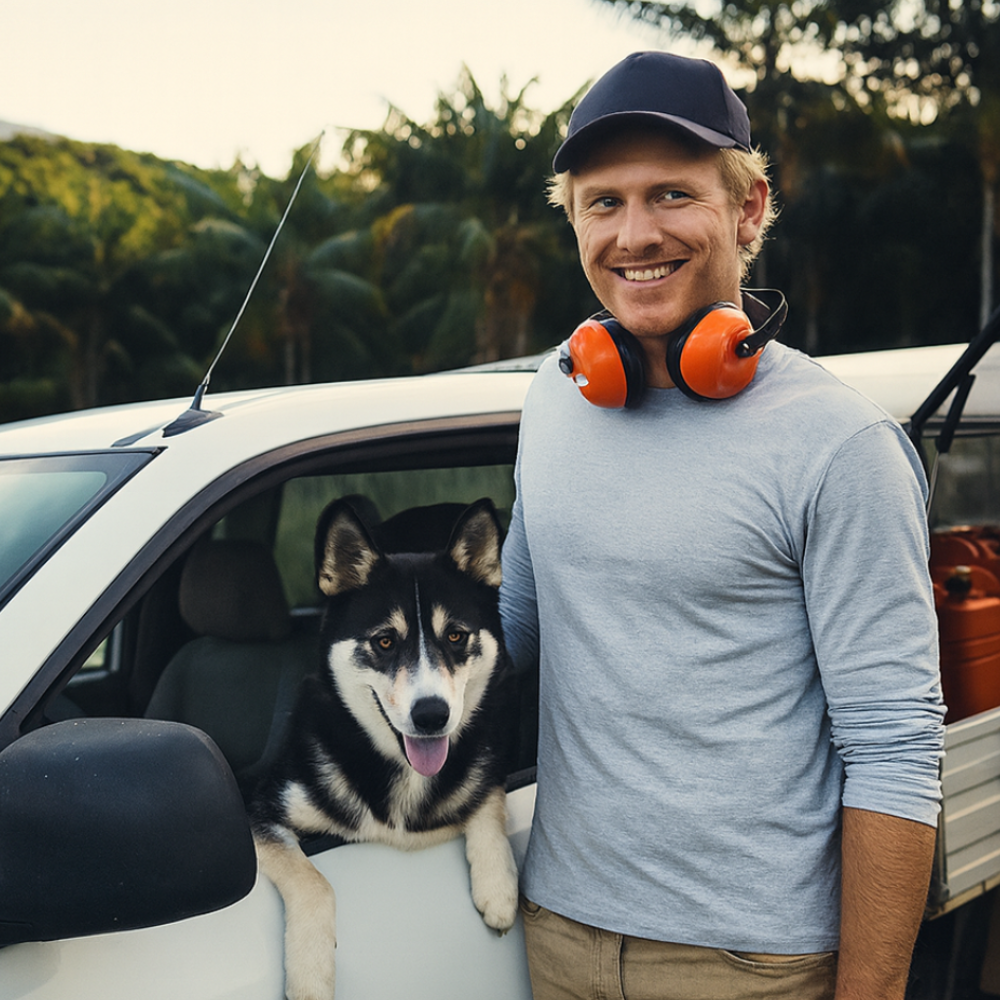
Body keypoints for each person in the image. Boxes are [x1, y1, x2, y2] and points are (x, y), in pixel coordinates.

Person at [499, 50, 945, 1000]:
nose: (635, 233)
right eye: (603, 202)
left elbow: (896, 751)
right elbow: (513, 635)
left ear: (747, 210)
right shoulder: (552, 397)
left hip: (752, 963)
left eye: (672, 194)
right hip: (558, 932)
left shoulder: (839, 443)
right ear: (572, 218)